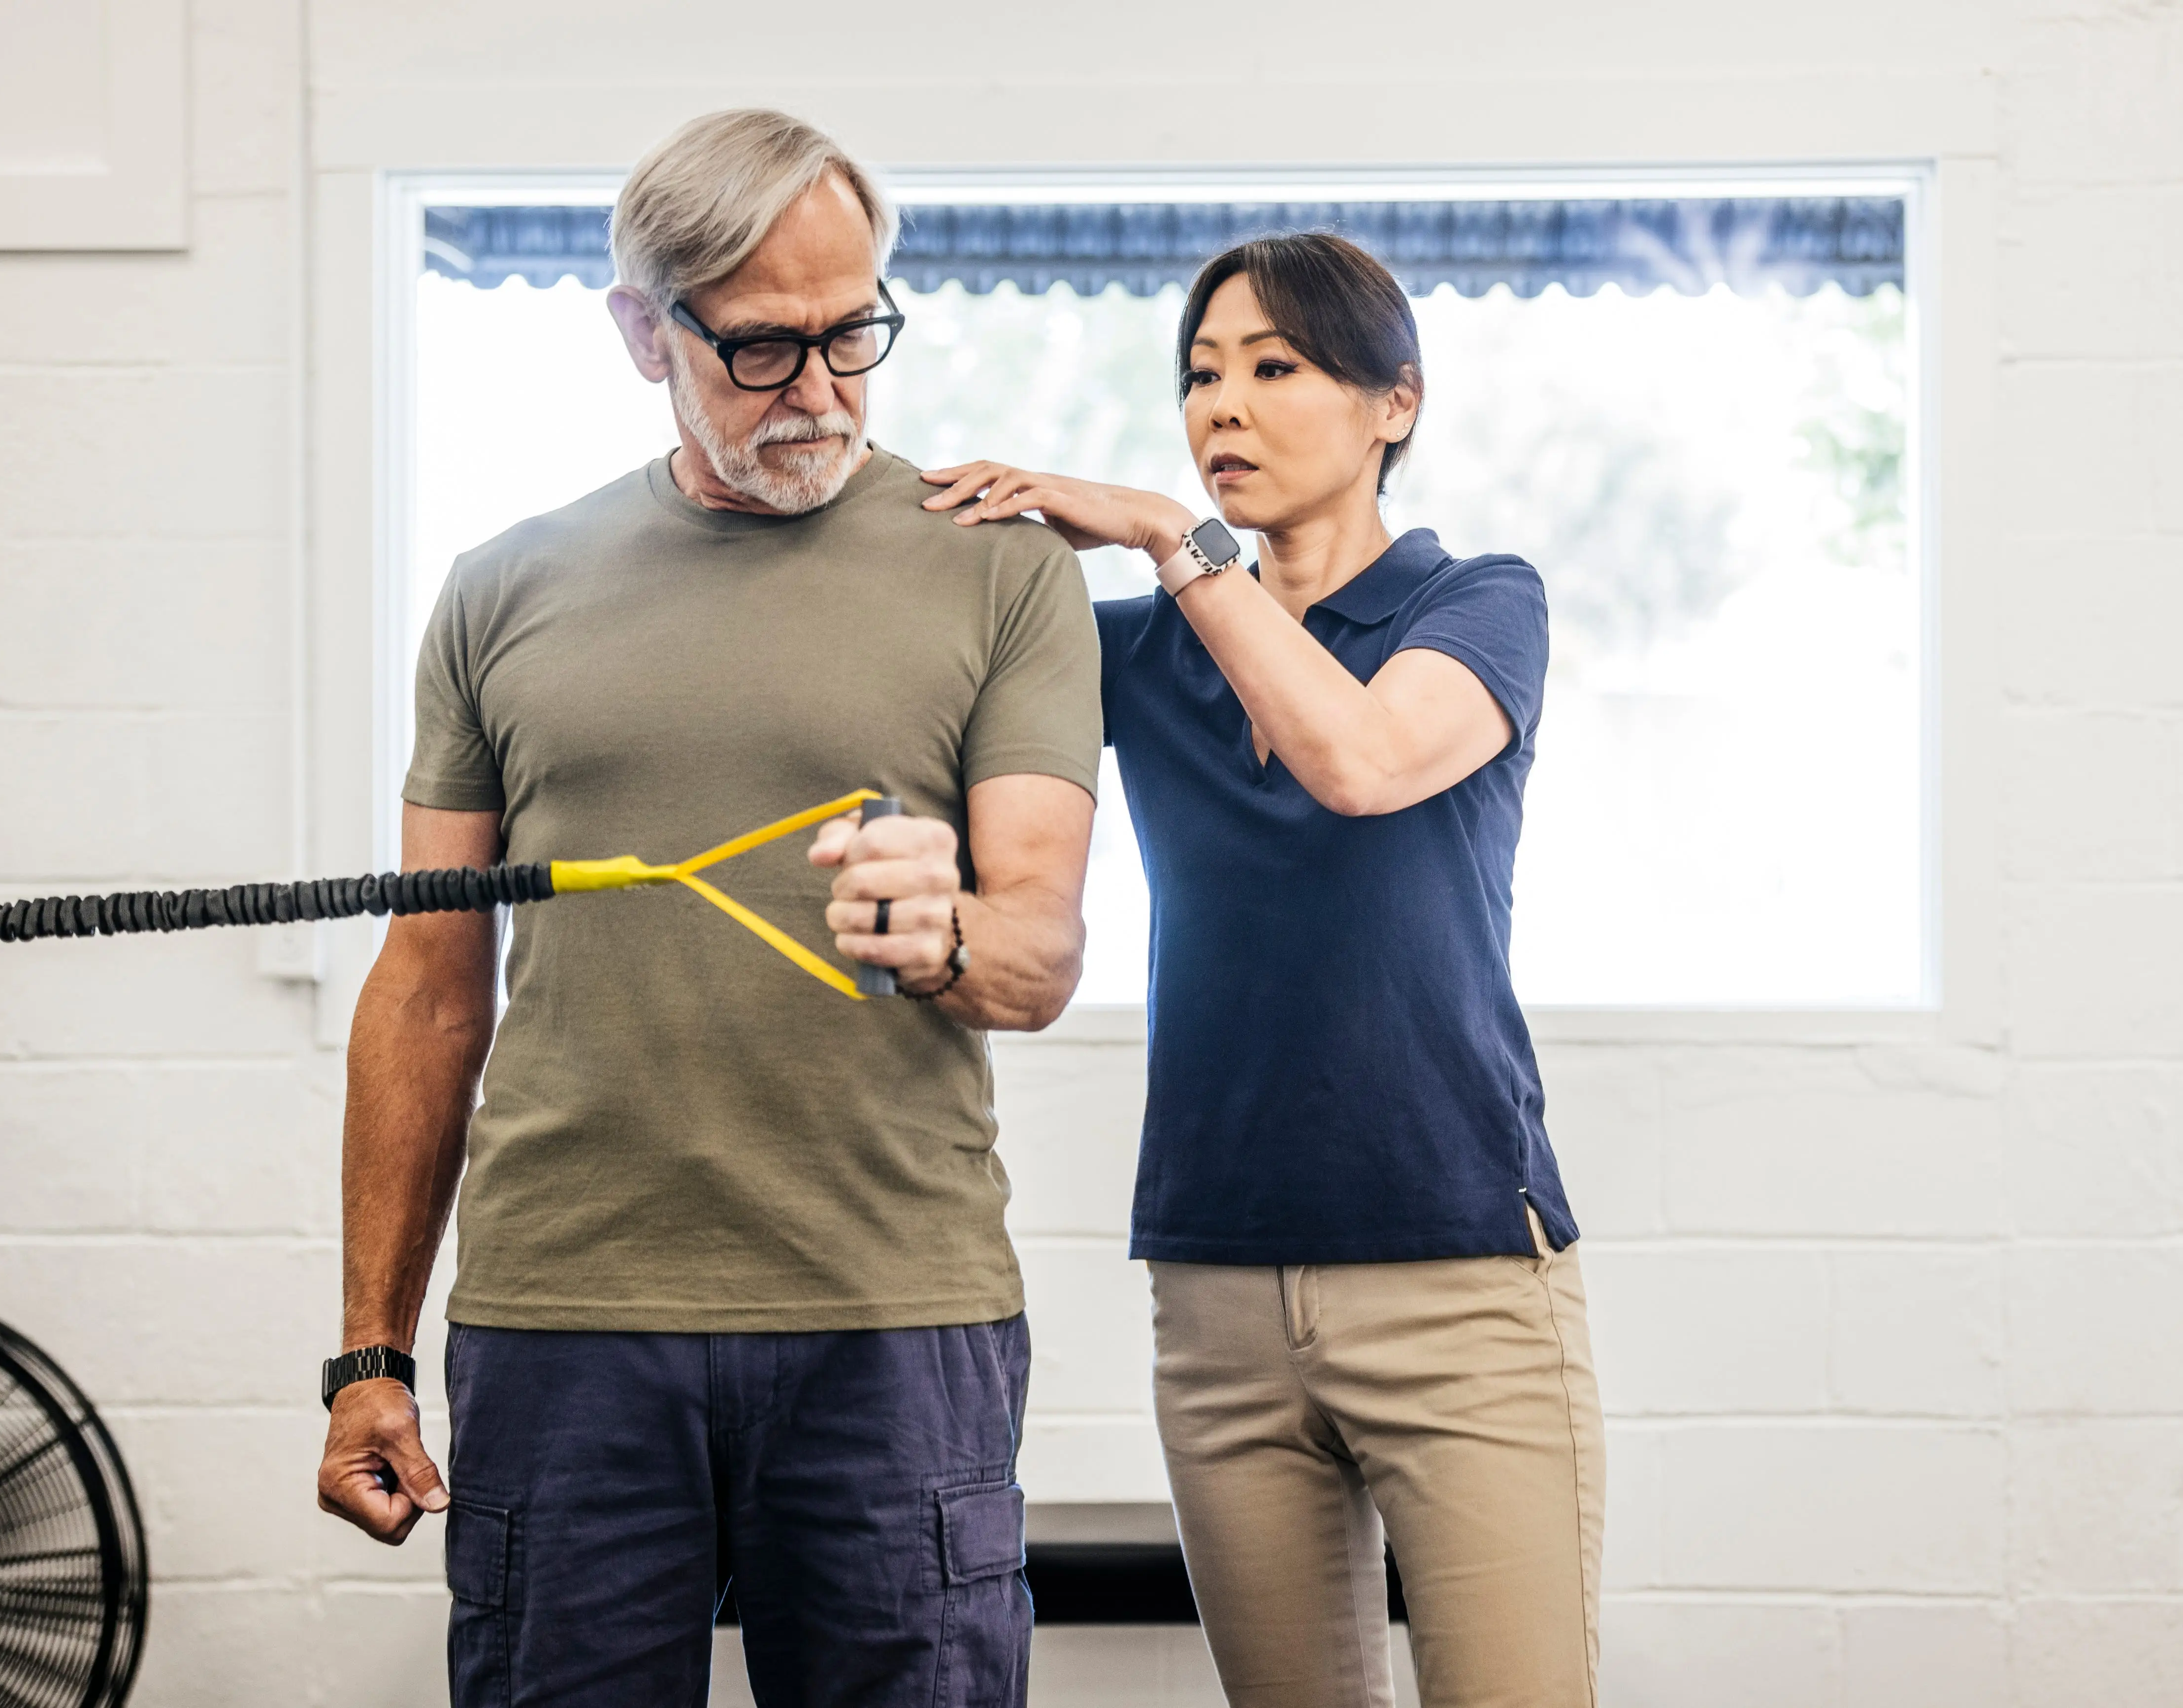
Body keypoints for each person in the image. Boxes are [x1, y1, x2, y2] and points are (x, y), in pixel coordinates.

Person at [314, 109, 1102, 1707]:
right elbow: (428, 985)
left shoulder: (1001, 575)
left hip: (896, 1323)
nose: (822, 391)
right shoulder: (501, 590)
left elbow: (1042, 948)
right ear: (640, 332)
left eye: (855, 334)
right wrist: (370, 1351)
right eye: (760, 350)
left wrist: (945, 928)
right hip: (565, 1326)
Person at [922, 232, 1603, 1708]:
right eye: (1200, 372)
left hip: (1461, 1280)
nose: (1221, 404)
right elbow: (926, 675)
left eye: (1274, 367)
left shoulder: (1480, 601)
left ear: (1394, 404)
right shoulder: (1140, 654)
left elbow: (1357, 757)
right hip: (1219, 1294)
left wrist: (1177, 544)